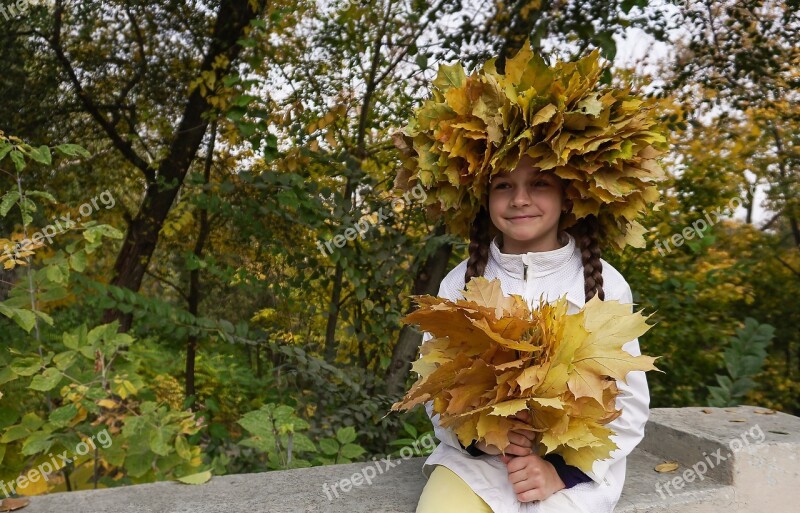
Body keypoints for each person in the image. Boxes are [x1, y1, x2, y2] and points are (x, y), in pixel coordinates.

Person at [392, 40, 667, 513]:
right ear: (484, 198)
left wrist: (558, 473)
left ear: (569, 195)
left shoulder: (603, 284)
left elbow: (629, 408)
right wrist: (486, 442)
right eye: (504, 186)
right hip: (478, 463)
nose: (520, 199)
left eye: (539, 182)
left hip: (573, 472)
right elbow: (439, 390)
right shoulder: (458, 283)